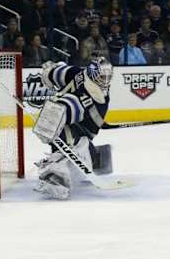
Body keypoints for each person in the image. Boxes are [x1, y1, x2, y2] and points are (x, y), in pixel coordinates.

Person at [34, 57, 114, 199]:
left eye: (108, 77)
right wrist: (50, 72)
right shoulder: (79, 75)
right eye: (102, 76)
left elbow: (71, 108)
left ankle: (58, 177)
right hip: (71, 130)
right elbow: (58, 73)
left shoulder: (98, 97)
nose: (105, 81)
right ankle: (93, 158)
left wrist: (52, 117)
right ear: (92, 73)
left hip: (81, 136)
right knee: (59, 130)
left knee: (62, 131)